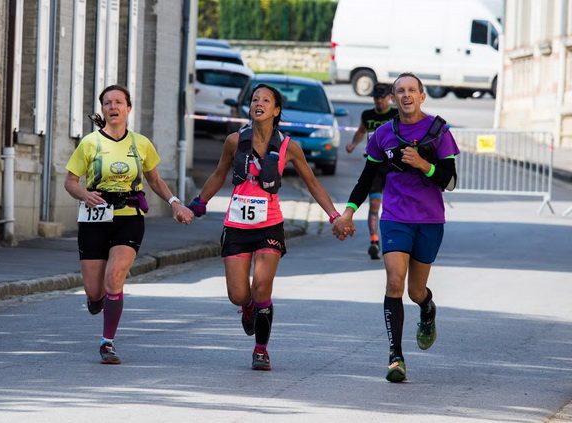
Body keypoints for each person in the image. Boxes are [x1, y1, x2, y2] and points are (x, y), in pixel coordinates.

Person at [187, 83, 344, 371]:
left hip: (269, 224)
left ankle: (261, 349)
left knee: (261, 286)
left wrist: (335, 216)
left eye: (266, 100)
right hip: (236, 224)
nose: (258, 103)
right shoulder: (234, 141)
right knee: (238, 294)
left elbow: (313, 184)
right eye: (255, 99)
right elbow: (219, 174)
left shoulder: (288, 147)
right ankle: (247, 308)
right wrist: (198, 203)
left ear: (276, 110)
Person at [333, 73, 459, 383]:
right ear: (393, 97)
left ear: (422, 96)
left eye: (411, 90)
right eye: (400, 91)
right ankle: (395, 357)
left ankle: (427, 309)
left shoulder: (439, 131)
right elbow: (366, 179)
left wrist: (422, 164)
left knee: (416, 291)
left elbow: (451, 181)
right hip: (395, 218)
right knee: (394, 281)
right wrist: (348, 213)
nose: (406, 95)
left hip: (429, 220)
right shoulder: (383, 135)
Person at [64, 85, 195, 365]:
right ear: (103, 110)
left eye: (119, 102)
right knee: (94, 291)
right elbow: (70, 181)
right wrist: (84, 194)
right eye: (108, 103)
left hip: (129, 218)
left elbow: (155, 180)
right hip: (95, 219)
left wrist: (175, 203)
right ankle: (97, 299)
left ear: (128, 109)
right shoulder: (89, 143)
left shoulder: (141, 144)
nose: (114, 107)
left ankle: (107, 342)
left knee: (114, 278)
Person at [345, 83, 398, 259]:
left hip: (393, 165)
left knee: (393, 205)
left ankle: (395, 241)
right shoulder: (368, 115)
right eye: (376, 98)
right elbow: (361, 131)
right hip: (374, 165)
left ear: (389, 98)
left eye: (382, 98)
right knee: (375, 204)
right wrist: (353, 144)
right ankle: (374, 241)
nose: (379, 101)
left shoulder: (395, 115)